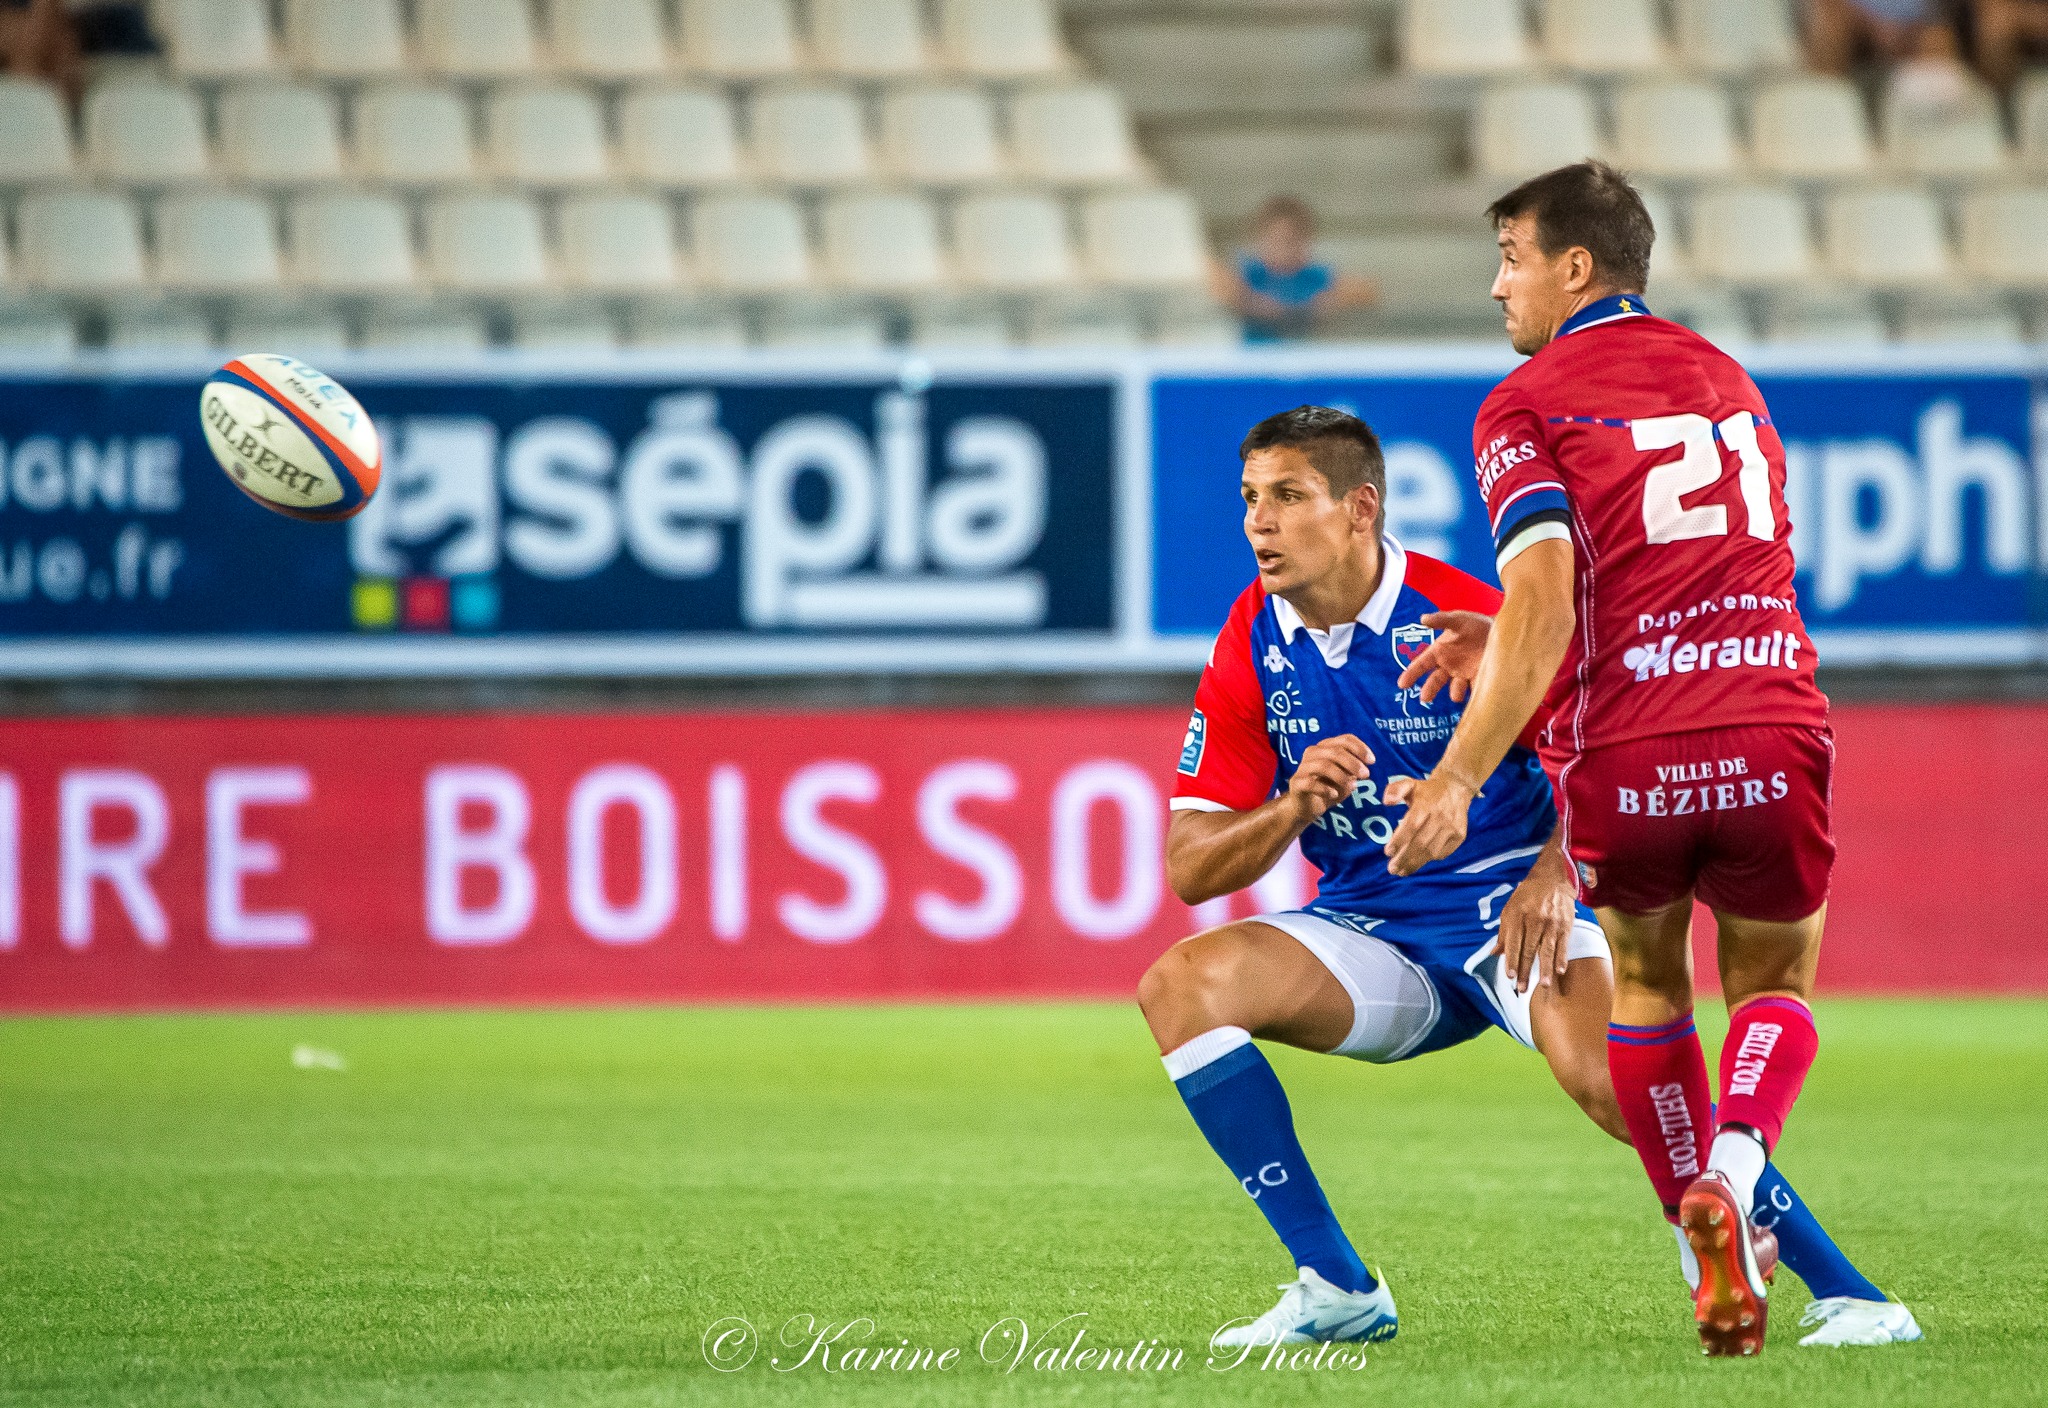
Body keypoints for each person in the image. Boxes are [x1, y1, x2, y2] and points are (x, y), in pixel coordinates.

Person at [1142, 404, 1916, 1352]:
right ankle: (1336, 1286)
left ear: (1361, 509)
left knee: (1614, 1085)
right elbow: (1189, 865)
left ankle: (1852, 1294)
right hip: (1368, 931)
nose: (1260, 522)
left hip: (1511, 909)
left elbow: (1610, 755)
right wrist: (1291, 807)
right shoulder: (1250, 640)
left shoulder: (1469, 614)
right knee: (1179, 985)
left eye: (1290, 497)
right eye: (1251, 499)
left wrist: (1558, 874)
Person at [1380, 161, 1905, 1357]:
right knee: (1773, 983)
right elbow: (1688, 573)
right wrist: (1508, 634)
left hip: (1630, 752)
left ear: (1574, 269)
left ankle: (1694, 1229)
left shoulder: (1525, 401)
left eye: (1510, 257)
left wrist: (1460, 772)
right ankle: (1734, 1158)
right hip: (1771, 718)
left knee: (1650, 988)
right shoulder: (1728, 378)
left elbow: (1553, 602)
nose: (1496, 285)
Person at [1209, 197, 1377, 345]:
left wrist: (1320, 306)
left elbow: (1365, 291)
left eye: (1290, 241)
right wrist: (1249, 303)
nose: (1283, 249)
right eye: (1275, 241)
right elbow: (1215, 280)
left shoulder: (1314, 276)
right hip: (1256, 363)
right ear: (1259, 240)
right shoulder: (1251, 274)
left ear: (1306, 241)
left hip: (1305, 360)